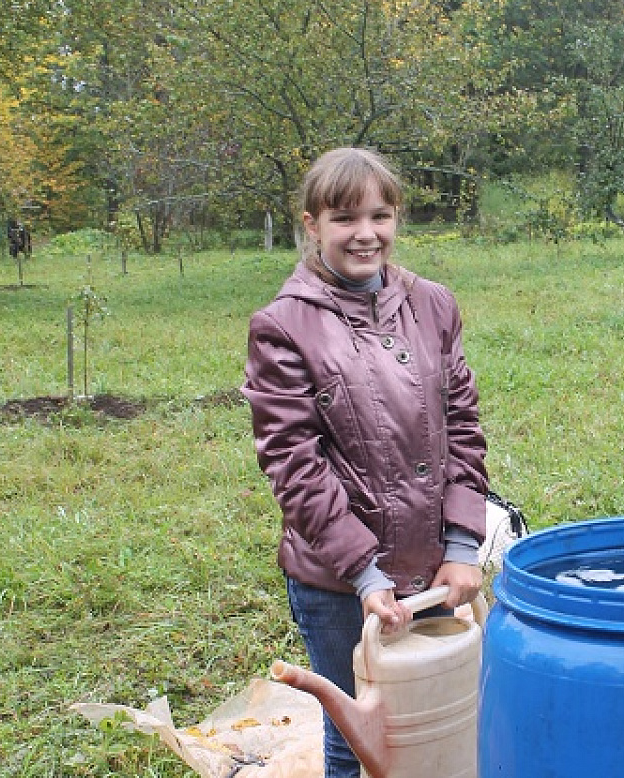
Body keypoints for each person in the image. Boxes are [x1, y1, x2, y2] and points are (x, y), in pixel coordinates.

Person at [242, 147, 488, 778]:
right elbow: (295, 467)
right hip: (340, 583)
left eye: (380, 215)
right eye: (345, 218)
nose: (365, 233)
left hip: (431, 566)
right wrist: (365, 575)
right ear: (312, 224)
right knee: (360, 737)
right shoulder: (283, 326)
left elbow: (462, 425)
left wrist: (461, 544)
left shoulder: (433, 304)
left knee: (435, 718)